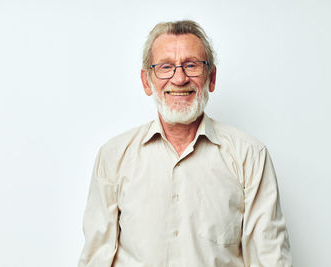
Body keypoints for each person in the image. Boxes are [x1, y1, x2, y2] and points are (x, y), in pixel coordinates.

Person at [78, 20, 292, 267]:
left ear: (211, 78)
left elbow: (270, 259)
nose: (179, 78)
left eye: (192, 65)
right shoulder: (113, 156)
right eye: (165, 67)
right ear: (146, 81)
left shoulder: (250, 156)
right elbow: (95, 259)